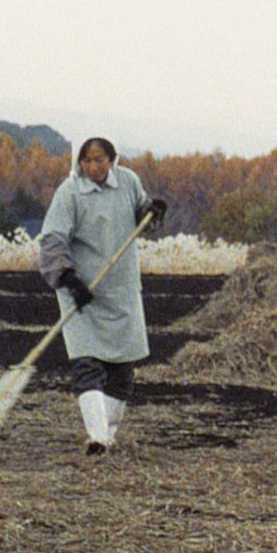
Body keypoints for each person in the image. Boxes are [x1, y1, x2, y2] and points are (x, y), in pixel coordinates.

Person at [39, 137, 166, 453]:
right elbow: (52, 239)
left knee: (122, 371)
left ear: (112, 159)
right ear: (78, 162)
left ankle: (107, 437)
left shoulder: (128, 182)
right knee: (87, 365)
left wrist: (152, 212)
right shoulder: (69, 193)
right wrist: (68, 278)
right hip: (82, 290)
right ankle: (96, 436)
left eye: (101, 159)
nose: (94, 166)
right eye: (87, 160)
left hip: (121, 289)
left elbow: (141, 218)